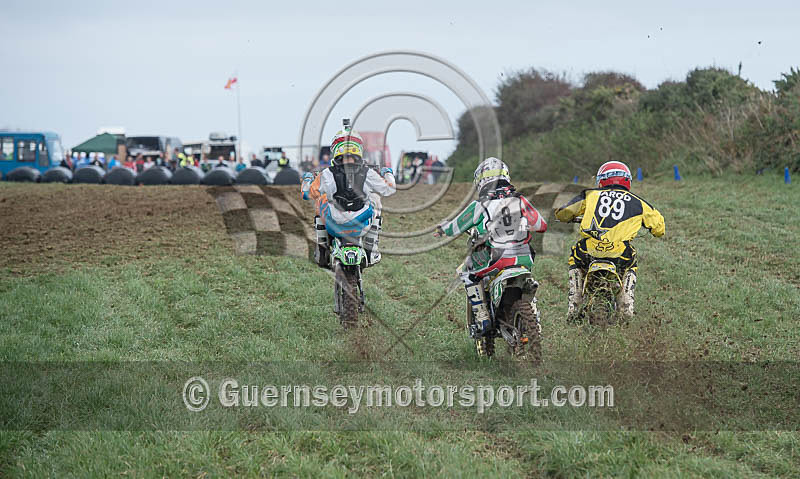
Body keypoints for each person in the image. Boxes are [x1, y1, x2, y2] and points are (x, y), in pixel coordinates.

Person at [434, 157, 547, 332]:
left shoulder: (479, 206)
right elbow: (541, 225)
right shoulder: (521, 201)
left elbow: (454, 227)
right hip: (524, 257)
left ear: (481, 181)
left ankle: (482, 317)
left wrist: (442, 228)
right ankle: (534, 319)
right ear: (506, 176)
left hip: (496, 258)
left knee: (466, 272)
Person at [555, 161, 665, 320]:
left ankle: (575, 302)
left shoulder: (589, 195)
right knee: (631, 265)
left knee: (575, 259)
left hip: (589, 250)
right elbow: (659, 229)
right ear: (627, 181)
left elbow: (563, 212)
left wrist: (567, 217)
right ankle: (626, 302)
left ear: (601, 180)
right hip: (620, 252)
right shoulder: (639, 202)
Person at [301, 125, 396, 267]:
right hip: (361, 224)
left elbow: (307, 194)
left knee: (320, 201)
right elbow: (390, 189)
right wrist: (387, 173)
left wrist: (307, 180)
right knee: (375, 200)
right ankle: (371, 250)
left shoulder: (327, 174)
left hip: (335, 224)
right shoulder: (368, 172)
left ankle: (322, 249)